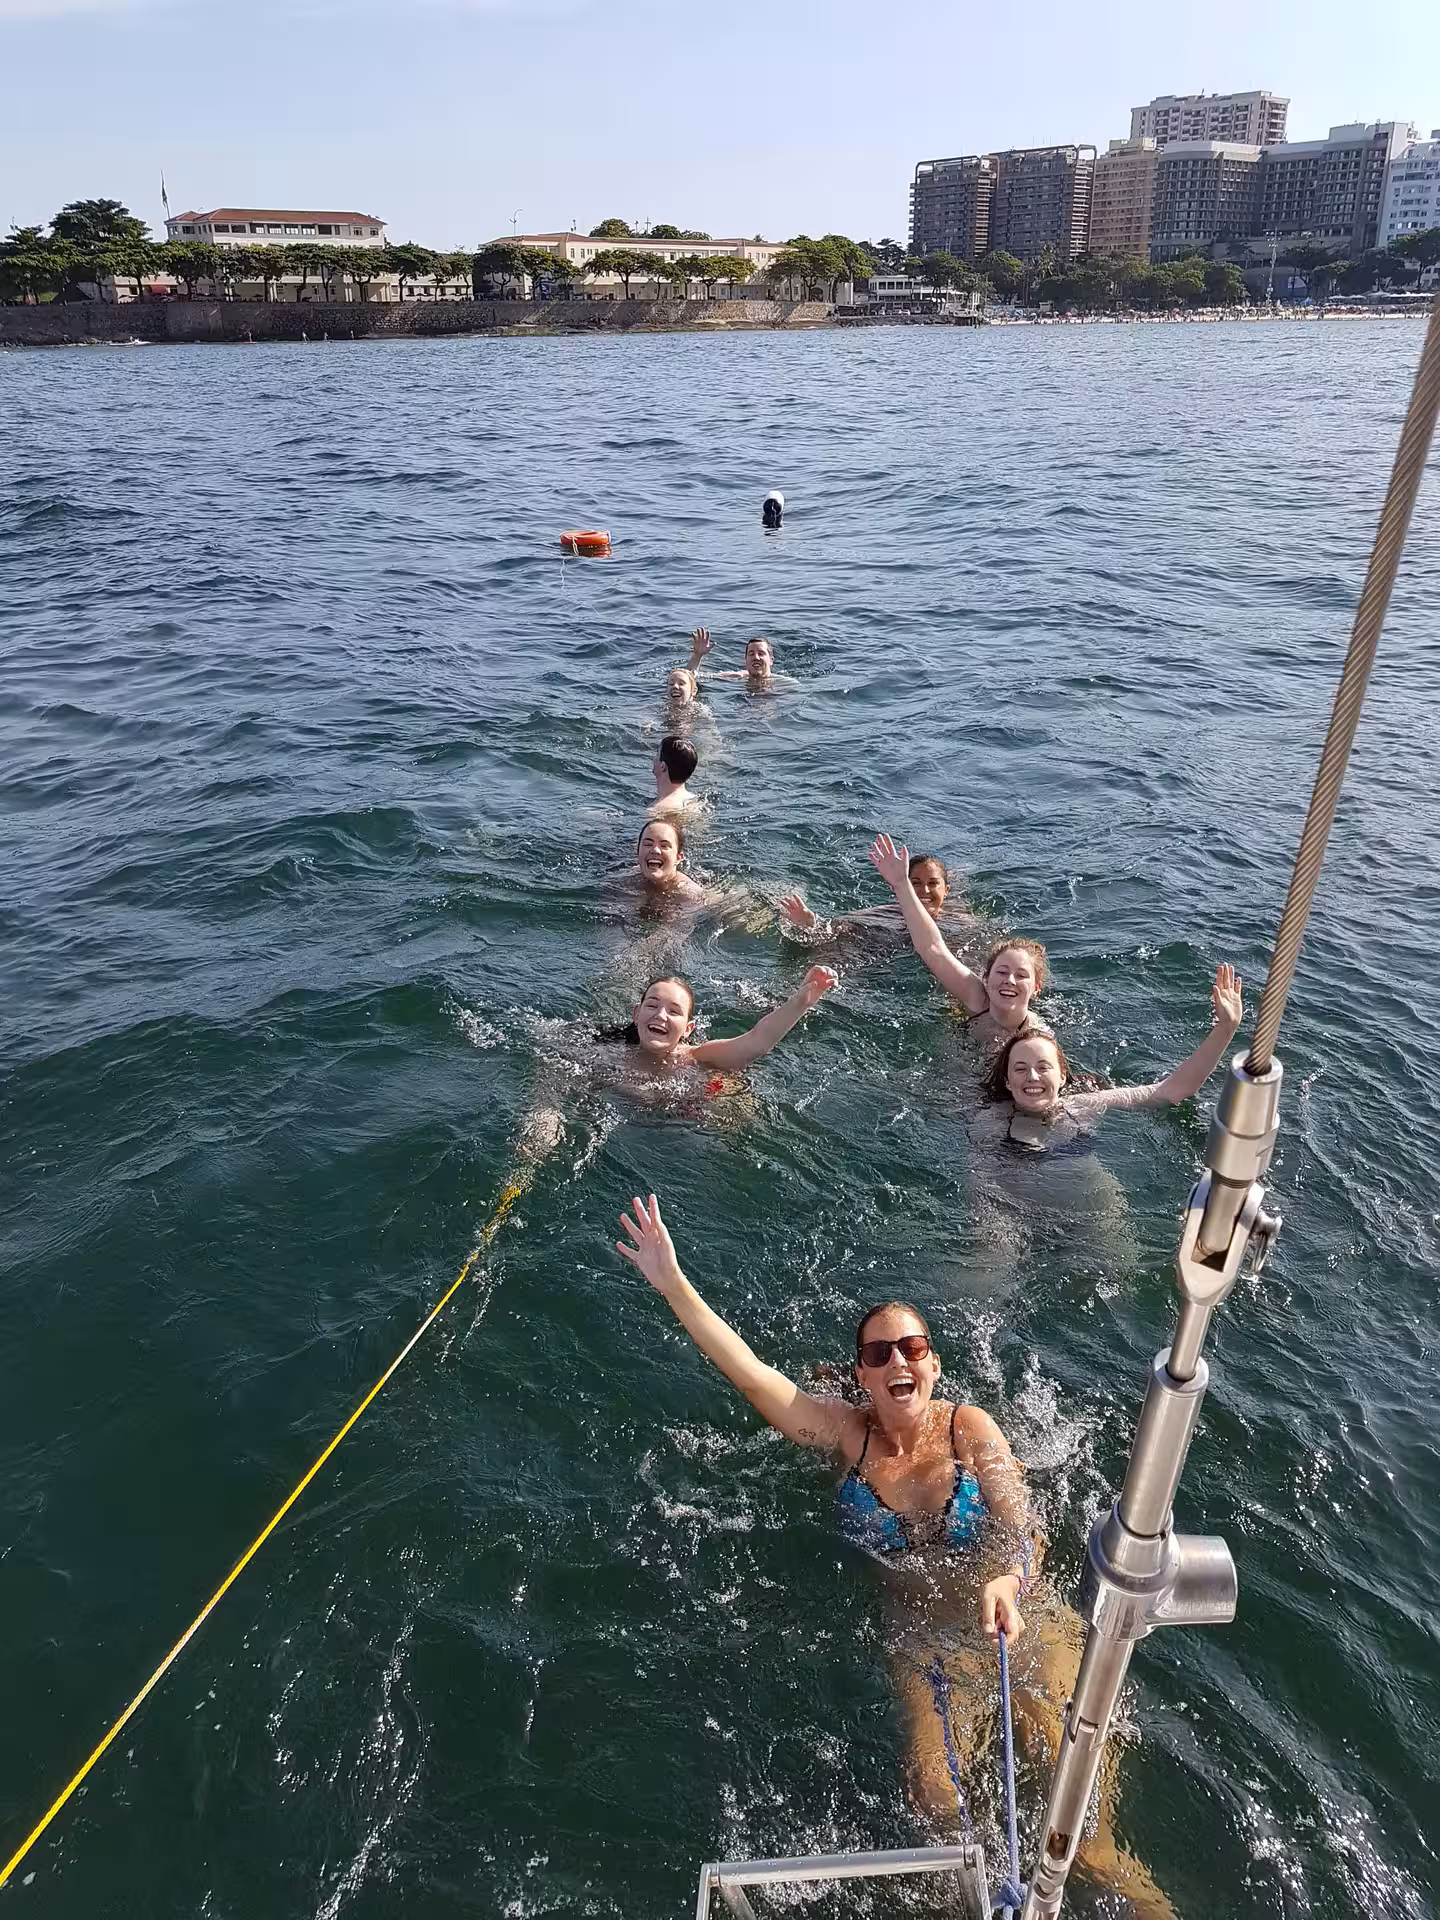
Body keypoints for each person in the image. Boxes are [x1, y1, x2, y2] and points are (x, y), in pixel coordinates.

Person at [614, 1197, 1175, 1918]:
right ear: (864, 1377)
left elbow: (1024, 1527)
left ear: (934, 1364)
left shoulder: (970, 1428)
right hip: (924, 1642)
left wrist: (1010, 1576)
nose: (898, 1360)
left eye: (912, 1347)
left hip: (1023, 1622)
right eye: (879, 1353)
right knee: (937, 1800)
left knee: (1089, 1843)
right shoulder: (845, 1438)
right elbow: (753, 1376)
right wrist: (673, 1283)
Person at [519, 968, 839, 1151]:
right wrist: (546, 1112)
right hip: (642, 1127)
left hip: (701, 1114)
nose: (660, 1015)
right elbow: (555, 1067)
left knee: (737, 1108)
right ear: (636, 1014)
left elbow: (757, 1042)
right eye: (652, 1005)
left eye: (673, 1011)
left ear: (687, 1029)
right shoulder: (606, 1052)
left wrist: (800, 1003)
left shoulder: (697, 1056)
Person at [974, 965, 1243, 1151]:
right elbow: (982, 1185)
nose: (1033, 1076)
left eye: (1043, 1067)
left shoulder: (1083, 1105)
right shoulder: (990, 1122)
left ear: (1062, 1075)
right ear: (1007, 1081)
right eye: (1020, 1069)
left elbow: (1173, 1090)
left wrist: (1225, 1029)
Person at [869, 833, 1048, 1052]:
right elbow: (933, 949)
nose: (1009, 981)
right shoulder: (978, 999)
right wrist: (901, 885)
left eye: (1021, 975)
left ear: (1036, 988)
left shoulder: (1038, 1038)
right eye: (1001, 972)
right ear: (985, 978)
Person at [780, 852, 976, 943]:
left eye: (933, 883)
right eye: (915, 883)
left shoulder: (963, 923)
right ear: (902, 887)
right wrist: (810, 927)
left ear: (947, 890)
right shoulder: (885, 914)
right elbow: (841, 927)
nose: (924, 890)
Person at [687, 626, 795, 688]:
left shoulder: (786, 684)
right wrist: (697, 655)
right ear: (745, 660)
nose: (756, 657)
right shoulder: (735, 678)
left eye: (761, 653)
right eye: (751, 654)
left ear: (771, 661)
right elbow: (689, 678)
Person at [649, 735, 699, 817]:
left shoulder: (657, 811)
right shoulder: (695, 802)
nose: (653, 758)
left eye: (657, 754)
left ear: (663, 766)